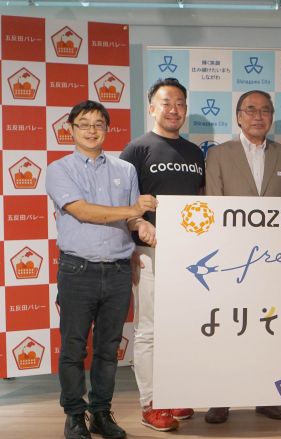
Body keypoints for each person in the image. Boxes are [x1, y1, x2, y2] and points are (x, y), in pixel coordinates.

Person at [46, 100, 157, 439]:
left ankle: (100, 412)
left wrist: (142, 224)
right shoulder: (59, 169)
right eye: (84, 124)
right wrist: (132, 210)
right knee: (74, 348)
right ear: (71, 129)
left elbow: (132, 217)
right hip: (78, 270)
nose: (91, 130)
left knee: (109, 350)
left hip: (119, 271)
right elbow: (83, 211)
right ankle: (74, 415)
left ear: (108, 129)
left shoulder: (126, 169)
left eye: (98, 124)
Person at [203, 90, 281, 423]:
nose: (258, 116)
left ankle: (266, 396)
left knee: (270, 328)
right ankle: (221, 398)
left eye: (265, 110)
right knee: (228, 328)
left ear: (272, 116)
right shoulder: (218, 154)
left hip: (274, 261)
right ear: (239, 116)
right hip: (231, 260)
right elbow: (213, 207)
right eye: (251, 110)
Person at [120, 78, 205, 432]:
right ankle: (151, 403)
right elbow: (123, 204)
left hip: (189, 254)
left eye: (180, 103)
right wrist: (136, 230)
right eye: (166, 102)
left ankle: (173, 393)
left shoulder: (195, 153)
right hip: (149, 251)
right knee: (149, 330)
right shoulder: (137, 149)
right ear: (152, 107)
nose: (174, 109)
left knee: (180, 326)